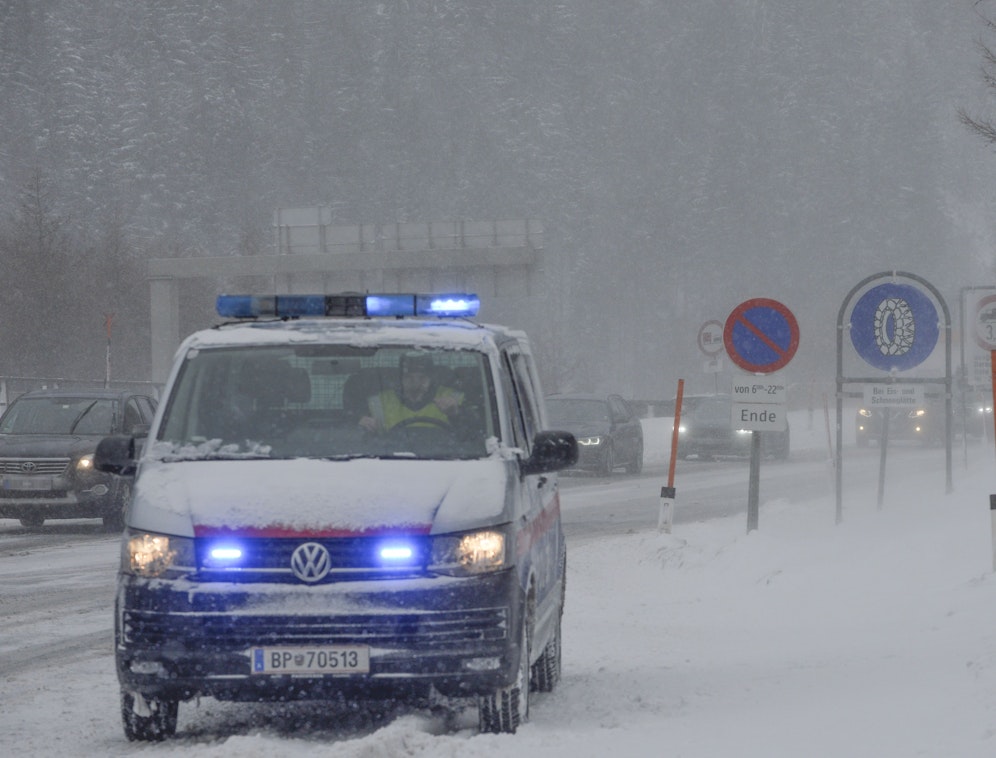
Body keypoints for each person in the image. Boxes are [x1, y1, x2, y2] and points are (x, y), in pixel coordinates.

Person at [359, 353, 463, 432]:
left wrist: (456, 415)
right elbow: (353, 434)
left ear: (431, 379)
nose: (416, 383)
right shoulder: (379, 402)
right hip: (390, 458)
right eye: (409, 377)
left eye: (422, 378)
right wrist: (362, 426)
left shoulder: (453, 398)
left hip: (445, 458)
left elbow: (471, 433)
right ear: (400, 379)